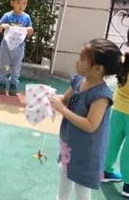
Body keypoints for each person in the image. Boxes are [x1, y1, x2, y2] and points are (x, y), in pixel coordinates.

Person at [49, 38, 121, 200]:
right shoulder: (78, 81)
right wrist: (54, 99)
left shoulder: (101, 95)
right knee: (65, 173)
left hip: (87, 151)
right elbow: (65, 99)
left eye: (82, 59)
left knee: (81, 187)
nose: (77, 62)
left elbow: (90, 125)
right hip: (70, 143)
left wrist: (63, 111)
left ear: (97, 68)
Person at [102, 30, 129, 198]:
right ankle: (128, 184)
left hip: (117, 107)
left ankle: (105, 171)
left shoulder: (124, 60)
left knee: (112, 140)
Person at [0, 0, 34, 96]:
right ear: (12, 3)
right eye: (18, 3)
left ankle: (13, 84)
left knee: (16, 66)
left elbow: (30, 29)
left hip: (19, 47)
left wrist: (30, 30)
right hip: (6, 46)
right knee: (4, 65)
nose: (21, 6)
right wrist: (1, 27)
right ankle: (2, 83)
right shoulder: (7, 16)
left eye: (24, 3)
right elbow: (0, 27)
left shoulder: (26, 17)